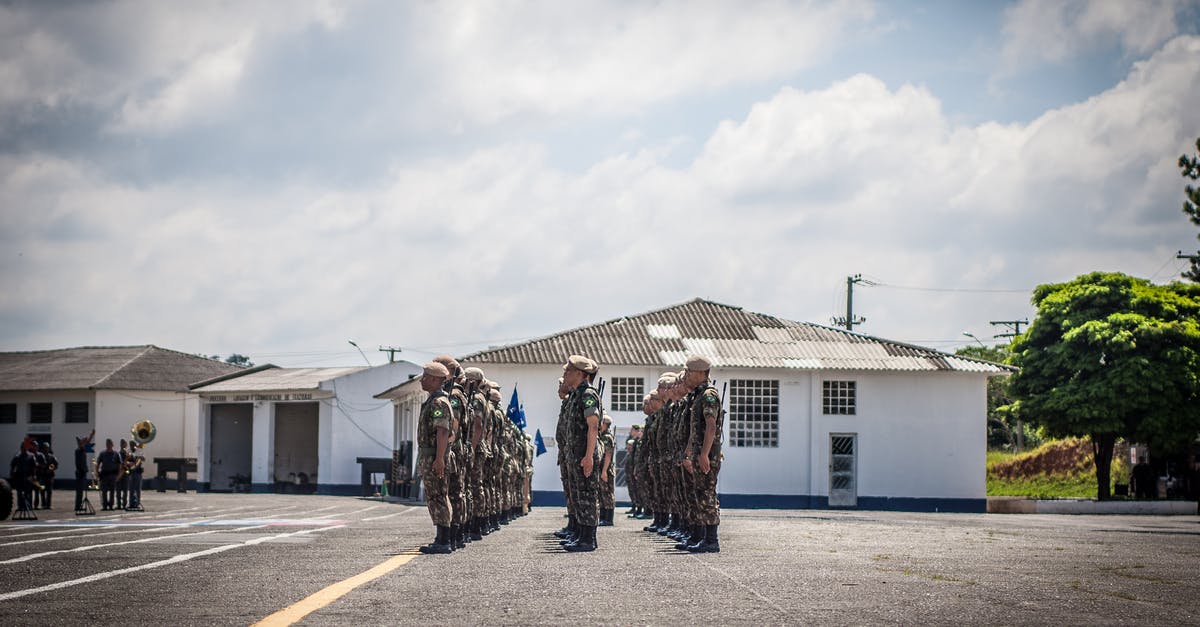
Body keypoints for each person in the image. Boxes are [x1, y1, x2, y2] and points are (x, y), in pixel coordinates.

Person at [679, 355, 724, 552]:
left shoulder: (708, 395)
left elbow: (711, 426)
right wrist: (690, 451)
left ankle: (711, 540)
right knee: (699, 494)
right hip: (699, 453)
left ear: (700, 373)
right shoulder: (698, 395)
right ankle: (703, 537)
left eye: (690, 372)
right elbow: (695, 429)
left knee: (707, 494)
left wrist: (704, 454)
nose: (687, 375)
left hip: (708, 455)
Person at [561, 354, 602, 552]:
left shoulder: (587, 394)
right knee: (578, 496)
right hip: (575, 454)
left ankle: (588, 539)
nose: (565, 374)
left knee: (587, 496)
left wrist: (588, 456)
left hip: (585, 454)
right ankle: (580, 535)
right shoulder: (577, 395)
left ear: (579, 373)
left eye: (568, 371)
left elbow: (593, 427)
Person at [416, 362, 454, 554]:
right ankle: (441, 538)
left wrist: (439, 459)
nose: (422, 380)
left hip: (434, 456)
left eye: (426, 377)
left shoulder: (439, 402)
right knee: (435, 496)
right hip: (430, 456)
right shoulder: (434, 400)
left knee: (438, 496)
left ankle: (444, 541)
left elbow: (443, 431)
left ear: (435, 380)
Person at [597, 411, 616, 526]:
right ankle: (603, 516)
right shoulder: (601, 435)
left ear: (605, 424)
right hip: (601, 468)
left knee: (607, 494)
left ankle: (609, 519)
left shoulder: (607, 437)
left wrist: (604, 471)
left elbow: (608, 455)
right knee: (601, 493)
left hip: (606, 469)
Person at [96, 439, 122, 510]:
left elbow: (119, 465)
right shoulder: (102, 453)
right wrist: (97, 472)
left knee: (112, 491)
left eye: (110, 444)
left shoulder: (116, 454)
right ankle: (104, 505)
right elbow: (98, 463)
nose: (108, 445)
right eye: (107, 444)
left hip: (113, 475)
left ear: (112, 445)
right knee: (104, 491)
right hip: (104, 474)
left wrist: (119, 475)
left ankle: (111, 505)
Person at [74, 429, 95, 512]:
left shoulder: (82, 449)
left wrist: (91, 435)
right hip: (80, 473)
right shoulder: (78, 451)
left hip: (83, 472)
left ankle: (78, 505)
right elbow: (83, 442)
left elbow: (87, 441)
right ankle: (77, 506)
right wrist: (81, 440)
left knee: (81, 491)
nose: (84, 444)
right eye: (82, 442)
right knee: (79, 491)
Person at [37, 441, 57, 509]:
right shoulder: (40, 456)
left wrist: (50, 469)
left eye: (47, 447)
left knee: (49, 491)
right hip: (42, 477)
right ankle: (43, 504)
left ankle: (48, 505)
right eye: (44, 447)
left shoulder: (52, 457)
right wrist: (41, 467)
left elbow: (55, 464)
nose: (46, 449)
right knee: (42, 490)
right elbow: (36, 464)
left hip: (49, 477)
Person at [127, 442, 145, 509]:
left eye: (132, 445)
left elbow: (144, 459)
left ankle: (137, 503)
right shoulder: (128, 451)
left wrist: (139, 456)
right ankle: (131, 503)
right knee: (131, 489)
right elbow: (125, 460)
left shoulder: (139, 451)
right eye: (130, 445)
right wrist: (129, 463)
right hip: (131, 472)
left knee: (137, 489)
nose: (131, 446)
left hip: (137, 472)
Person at [115, 439, 130, 509]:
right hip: (119, 473)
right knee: (118, 490)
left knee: (125, 490)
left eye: (124, 444)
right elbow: (115, 463)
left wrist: (127, 461)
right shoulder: (118, 454)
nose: (123, 445)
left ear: (126, 445)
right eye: (122, 444)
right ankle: (118, 504)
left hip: (125, 473)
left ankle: (124, 504)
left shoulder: (128, 454)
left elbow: (132, 463)